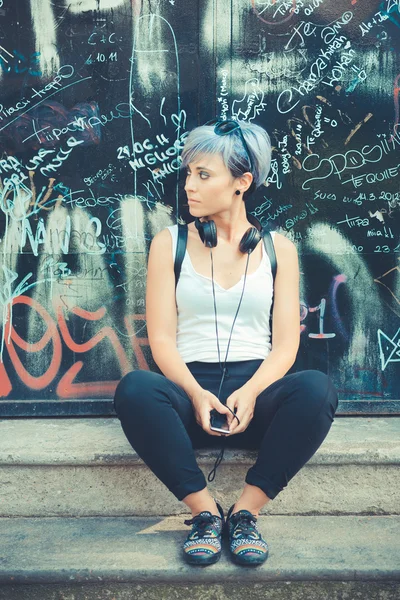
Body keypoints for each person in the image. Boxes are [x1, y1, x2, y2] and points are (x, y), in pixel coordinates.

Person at [113, 119, 339, 568]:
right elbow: (160, 339)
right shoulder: (169, 243)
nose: (189, 187)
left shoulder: (279, 249)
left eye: (203, 175)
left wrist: (252, 392)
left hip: (254, 393)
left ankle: (245, 513)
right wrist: (196, 395)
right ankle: (204, 515)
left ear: (242, 183)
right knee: (135, 389)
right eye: (188, 174)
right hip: (188, 391)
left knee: (317, 389)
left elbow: (283, 347)